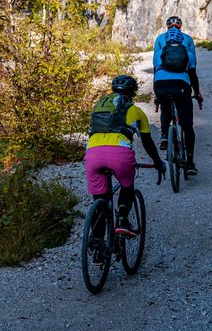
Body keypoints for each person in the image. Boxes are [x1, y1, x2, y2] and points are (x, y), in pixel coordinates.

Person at [84, 75, 165, 243]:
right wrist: (157, 162)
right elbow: (147, 142)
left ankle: (97, 241)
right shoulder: (136, 111)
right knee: (127, 185)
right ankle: (122, 220)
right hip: (119, 156)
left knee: (100, 199)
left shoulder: (99, 107)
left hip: (92, 154)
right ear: (133, 93)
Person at [152, 15, 204, 175]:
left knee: (165, 107)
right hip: (181, 85)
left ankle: (164, 135)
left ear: (167, 28)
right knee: (187, 125)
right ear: (180, 28)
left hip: (160, 84)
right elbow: (193, 73)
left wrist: (157, 95)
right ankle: (190, 163)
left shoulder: (160, 42)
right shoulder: (187, 43)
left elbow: (156, 69)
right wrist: (197, 93)